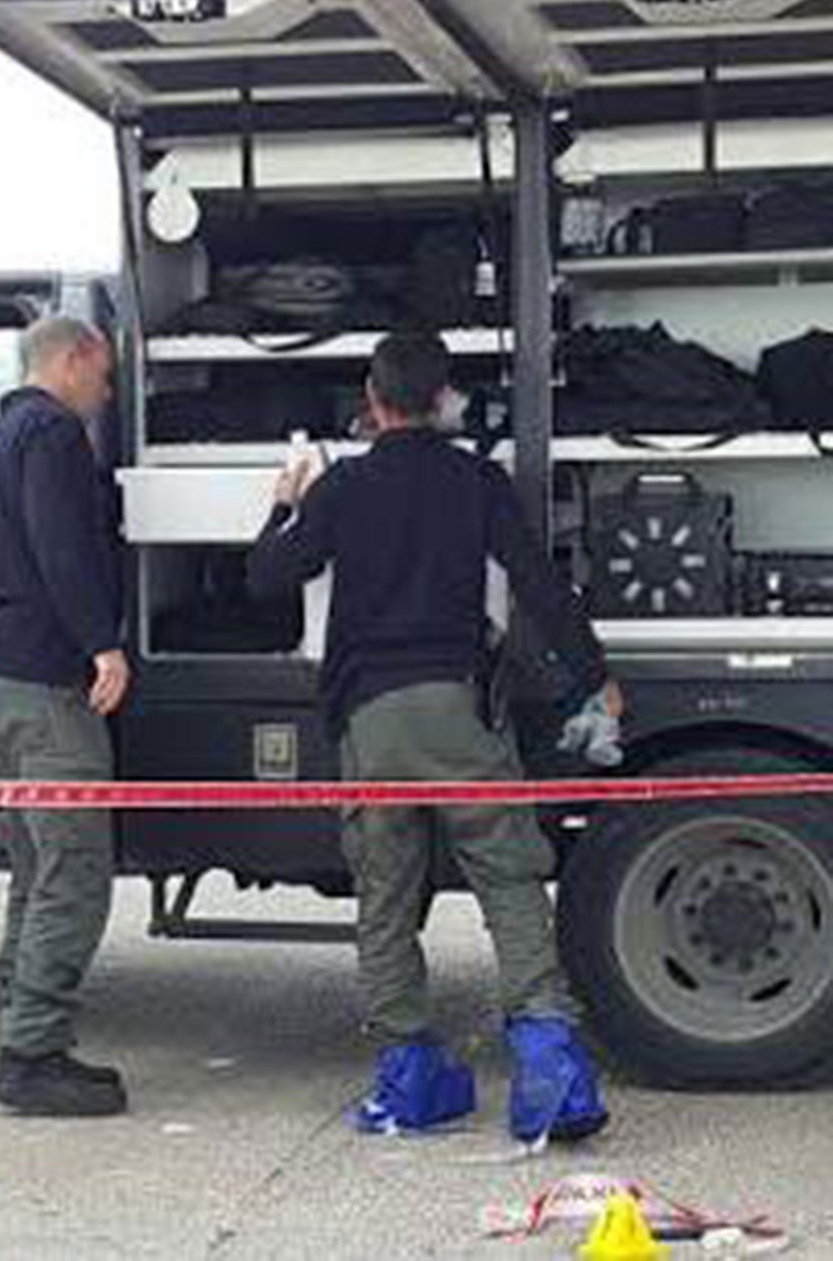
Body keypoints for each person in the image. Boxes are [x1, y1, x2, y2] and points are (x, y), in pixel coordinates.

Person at [247, 331, 622, 1144]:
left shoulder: (342, 486)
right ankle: (551, 1065)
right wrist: (593, 675)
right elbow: (538, 583)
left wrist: (286, 499)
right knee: (508, 878)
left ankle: (412, 1080)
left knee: (384, 896)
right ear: (443, 399)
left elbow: (266, 577)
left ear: (373, 402)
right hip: (457, 708)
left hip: (370, 718)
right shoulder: (474, 479)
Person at [0, 314, 128, 1117]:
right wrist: (105, 644)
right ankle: (32, 1056)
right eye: (103, 376)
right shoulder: (55, 436)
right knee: (73, 874)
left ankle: (19, 1027)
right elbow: (62, 545)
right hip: (44, 687)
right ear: (74, 358)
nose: (104, 395)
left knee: (34, 872)